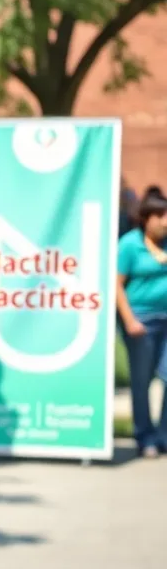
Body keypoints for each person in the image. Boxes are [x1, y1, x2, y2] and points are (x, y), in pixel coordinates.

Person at [116, 192, 167, 458]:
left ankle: (164, 435)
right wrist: (130, 320)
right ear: (146, 219)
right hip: (142, 322)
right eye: (160, 216)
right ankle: (144, 436)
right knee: (141, 380)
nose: (165, 222)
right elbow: (117, 285)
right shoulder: (129, 245)